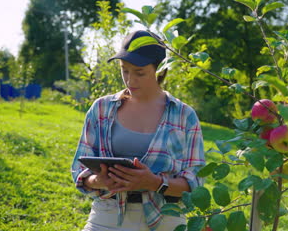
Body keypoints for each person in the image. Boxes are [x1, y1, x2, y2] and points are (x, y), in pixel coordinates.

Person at [71, 30, 206, 231]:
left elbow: (195, 184)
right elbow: (79, 170)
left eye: (139, 73)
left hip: (166, 217)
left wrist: (155, 183)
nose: (130, 80)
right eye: (124, 70)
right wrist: (99, 180)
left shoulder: (184, 116)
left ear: (160, 71)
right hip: (108, 213)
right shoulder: (101, 109)